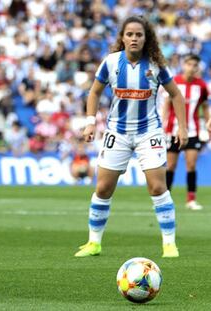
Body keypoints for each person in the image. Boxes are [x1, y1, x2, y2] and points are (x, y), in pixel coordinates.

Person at [74, 16, 188, 258]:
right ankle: (94, 243)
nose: (134, 38)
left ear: (146, 39)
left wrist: (182, 128)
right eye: (130, 34)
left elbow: (176, 95)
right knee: (103, 188)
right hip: (118, 132)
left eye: (139, 34)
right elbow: (94, 93)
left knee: (158, 187)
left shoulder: (156, 65)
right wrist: (90, 122)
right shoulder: (111, 62)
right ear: (122, 38)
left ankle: (169, 244)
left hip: (149, 133)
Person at [163, 54, 210, 210]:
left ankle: (191, 200)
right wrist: (163, 124)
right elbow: (166, 103)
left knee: (191, 165)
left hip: (193, 131)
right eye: (189, 64)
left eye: (195, 65)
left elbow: (205, 107)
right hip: (172, 130)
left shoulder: (202, 86)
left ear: (198, 67)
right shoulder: (174, 82)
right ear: (184, 65)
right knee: (170, 165)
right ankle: (165, 199)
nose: (192, 67)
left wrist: (208, 123)